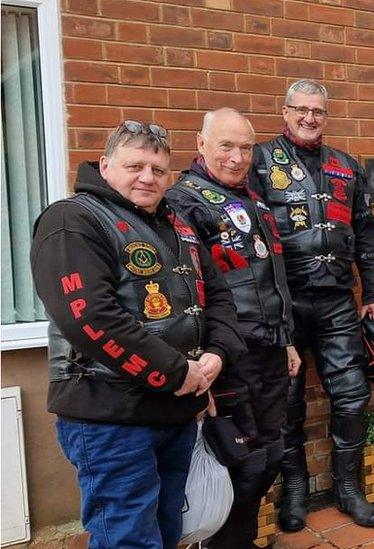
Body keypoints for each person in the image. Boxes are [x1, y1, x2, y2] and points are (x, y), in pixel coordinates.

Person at [30, 121, 246, 548]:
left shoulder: (176, 223)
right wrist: (175, 372)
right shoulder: (73, 220)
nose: (147, 177)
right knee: (127, 536)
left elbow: (218, 296)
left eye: (158, 169)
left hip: (177, 409)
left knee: (168, 528)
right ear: (106, 165)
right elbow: (89, 317)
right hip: (110, 415)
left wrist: (217, 354)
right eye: (135, 166)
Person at [251, 79, 374, 529]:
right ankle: (295, 492)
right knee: (287, 402)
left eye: (318, 112)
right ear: (285, 112)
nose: (310, 118)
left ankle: (348, 488)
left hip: (336, 302)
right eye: (301, 110)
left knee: (351, 395)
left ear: (327, 116)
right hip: (282, 304)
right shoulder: (259, 161)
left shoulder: (346, 166)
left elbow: (367, 232)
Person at [166, 108, 301, 548]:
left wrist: (288, 341)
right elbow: (187, 295)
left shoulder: (253, 197)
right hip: (226, 358)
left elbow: (272, 278)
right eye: (226, 145)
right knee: (238, 462)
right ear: (201, 144)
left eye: (245, 147)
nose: (237, 156)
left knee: (268, 456)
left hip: (269, 352)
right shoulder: (183, 202)